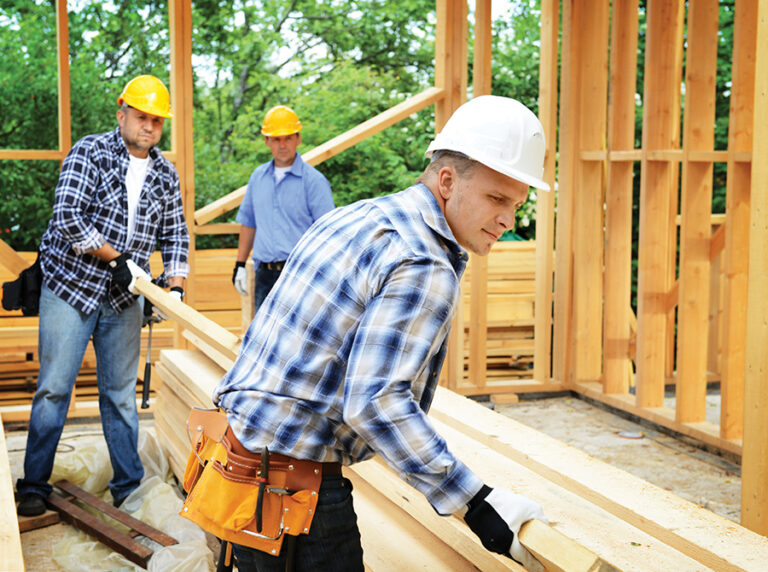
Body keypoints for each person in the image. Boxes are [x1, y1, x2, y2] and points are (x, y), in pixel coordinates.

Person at [212, 95, 550, 571]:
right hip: (293, 486)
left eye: (516, 204)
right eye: (497, 198)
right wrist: (476, 502)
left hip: (235, 461)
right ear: (447, 181)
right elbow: (374, 402)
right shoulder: (424, 260)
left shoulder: (357, 217)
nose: (507, 220)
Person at [15, 75, 190, 516]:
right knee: (55, 389)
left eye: (156, 120)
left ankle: (128, 487)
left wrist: (176, 284)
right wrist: (116, 259)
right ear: (122, 113)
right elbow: (68, 215)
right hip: (70, 288)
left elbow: (176, 234)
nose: (148, 126)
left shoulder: (166, 174)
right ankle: (34, 482)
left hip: (122, 299)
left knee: (119, 395)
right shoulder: (90, 152)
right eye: (140, 116)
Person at [231, 105, 334, 309]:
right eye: (276, 139)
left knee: (299, 337)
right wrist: (240, 265)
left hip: (301, 274)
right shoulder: (257, 178)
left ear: (298, 139)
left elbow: (328, 233)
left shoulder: (314, 181)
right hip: (264, 276)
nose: (283, 144)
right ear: (267, 141)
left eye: (288, 137)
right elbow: (249, 224)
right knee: (263, 337)